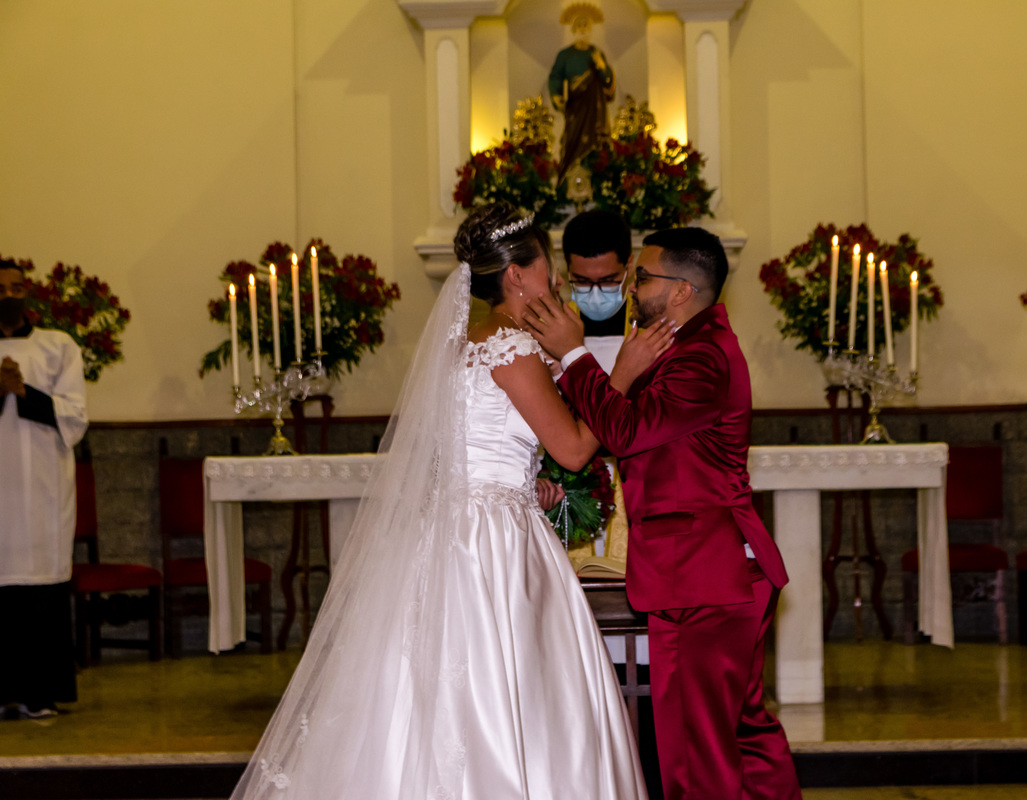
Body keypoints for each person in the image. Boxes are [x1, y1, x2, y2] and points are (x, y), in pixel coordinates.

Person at [230, 203, 672, 800]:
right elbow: (572, 450)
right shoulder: (511, 345)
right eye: (546, 264)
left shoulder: (468, 340)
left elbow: (462, 453)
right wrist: (621, 372)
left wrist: (524, 482)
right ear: (518, 275)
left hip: (460, 525)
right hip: (494, 543)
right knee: (509, 687)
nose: (556, 279)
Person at [525, 229, 803, 799]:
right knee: (743, 734)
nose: (632, 286)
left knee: (694, 751)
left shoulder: (701, 357)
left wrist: (577, 354)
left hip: (702, 576)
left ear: (681, 291)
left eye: (643, 277)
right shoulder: (686, 347)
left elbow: (625, 433)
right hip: (715, 573)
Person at [0, 259, 88, 721]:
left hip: (41, 489)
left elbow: (75, 415)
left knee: (39, 583)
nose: (9, 295)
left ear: (27, 292)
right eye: (0, 288)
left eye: (16, 286)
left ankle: (39, 693)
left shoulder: (59, 346)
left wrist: (24, 392)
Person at [549, 3, 615, 182]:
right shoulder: (565, 55)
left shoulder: (596, 53)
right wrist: (557, 96)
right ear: (573, 29)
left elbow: (607, 80)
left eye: (586, 26)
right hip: (575, 107)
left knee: (595, 143)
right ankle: (568, 178)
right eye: (579, 26)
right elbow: (555, 77)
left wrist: (601, 66)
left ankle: (596, 179)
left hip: (595, 109)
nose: (583, 29)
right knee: (572, 141)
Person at [563, 209, 632, 373]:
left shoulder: (649, 326)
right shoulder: (556, 325)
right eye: (582, 281)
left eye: (607, 281)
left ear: (629, 266)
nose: (595, 294)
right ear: (568, 269)